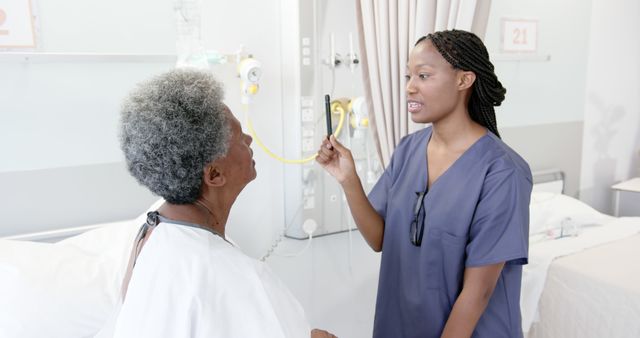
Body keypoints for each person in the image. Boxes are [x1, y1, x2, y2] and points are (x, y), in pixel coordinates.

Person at [316, 29, 532, 338]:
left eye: (424, 76)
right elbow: (380, 239)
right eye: (408, 77)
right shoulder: (408, 150)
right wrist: (348, 179)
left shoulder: (502, 173)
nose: (409, 88)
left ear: (464, 80)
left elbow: (478, 293)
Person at [97, 69, 336, 338]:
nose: (249, 139)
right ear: (214, 174)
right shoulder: (239, 276)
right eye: (238, 136)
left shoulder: (151, 230)